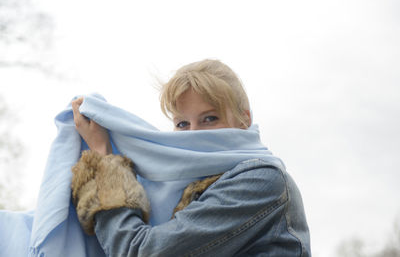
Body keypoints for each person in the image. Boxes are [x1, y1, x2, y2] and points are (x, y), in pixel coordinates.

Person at [71, 59, 311, 256]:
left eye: (209, 118)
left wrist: (104, 162)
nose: (194, 133)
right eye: (183, 123)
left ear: (244, 120)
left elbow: (144, 252)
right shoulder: (185, 184)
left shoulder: (261, 180)